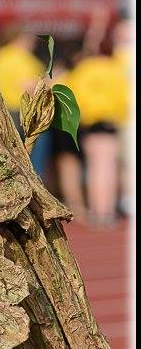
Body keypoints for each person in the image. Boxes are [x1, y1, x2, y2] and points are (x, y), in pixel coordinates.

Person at [59, 14, 131, 227]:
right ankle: (107, 211)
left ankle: (97, 210)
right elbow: (124, 97)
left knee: (93, 169)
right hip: (110, 122)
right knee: (108, 168)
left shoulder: (84, 69)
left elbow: (72, 94)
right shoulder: (115, 69)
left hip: (90, 124)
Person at [0, 28, 51, 181]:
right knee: (33, 155)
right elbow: (28, 85)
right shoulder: (21, 58)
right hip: (25, 112)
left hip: (1, 110)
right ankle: (34, 182)